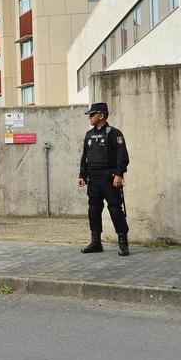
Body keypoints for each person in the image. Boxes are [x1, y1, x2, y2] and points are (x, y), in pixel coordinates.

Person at [78, 102, 130, 256]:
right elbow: (85, 157)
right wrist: (82, 175)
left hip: (109, 178)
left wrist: (119, 174)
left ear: (101, 115)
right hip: (93, 178)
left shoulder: (114, 133)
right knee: (93, 209)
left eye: (92, 114)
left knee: (115, 209)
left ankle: (123, 242)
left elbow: (123, 157)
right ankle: (96, 242)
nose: (89, 117)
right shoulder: (89, 134)